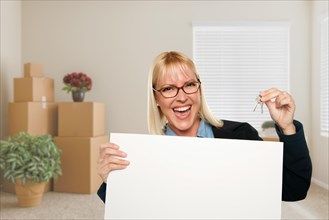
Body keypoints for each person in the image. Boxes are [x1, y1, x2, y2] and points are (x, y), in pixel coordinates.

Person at [96, 51, 312, 203]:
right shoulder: (142, 157)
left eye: (189, 85)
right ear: (156, 99)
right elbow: (132, 210)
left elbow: (295, 189)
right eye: (169, 88)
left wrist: (287, 127)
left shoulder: (241, 136)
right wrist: (112, 182)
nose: (182, 97)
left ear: (199, 89)